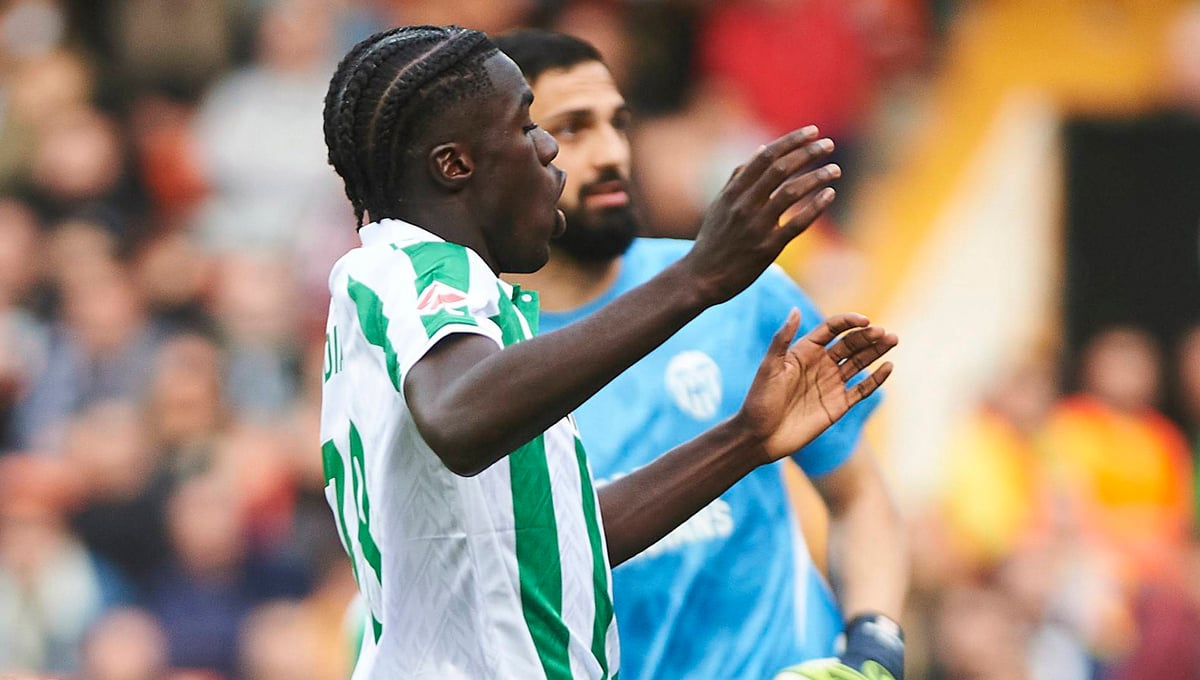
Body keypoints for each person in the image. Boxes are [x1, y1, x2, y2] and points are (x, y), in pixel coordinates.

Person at [319, 25, 895, 680]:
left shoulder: (482, 325)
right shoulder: (407, 269)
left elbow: (567, 539)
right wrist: (698, 278)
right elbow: (458, 417)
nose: (549, 149)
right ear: (454, 165)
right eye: (529, 126)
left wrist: (745, 441)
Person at [495, 29, 907, 680]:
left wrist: (874, 649)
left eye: (618, 124)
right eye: (572, 129)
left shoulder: (740, 290)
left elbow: (859, 499)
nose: (612, 153)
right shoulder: (478, 364)